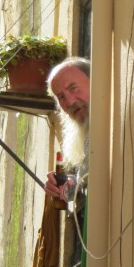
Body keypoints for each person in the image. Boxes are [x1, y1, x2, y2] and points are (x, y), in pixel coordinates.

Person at [44, 56, 90, 203]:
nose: (70, 102)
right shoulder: (88, 132)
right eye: (61, 97)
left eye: (73, 88)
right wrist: (63, 186)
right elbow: (88, 178)